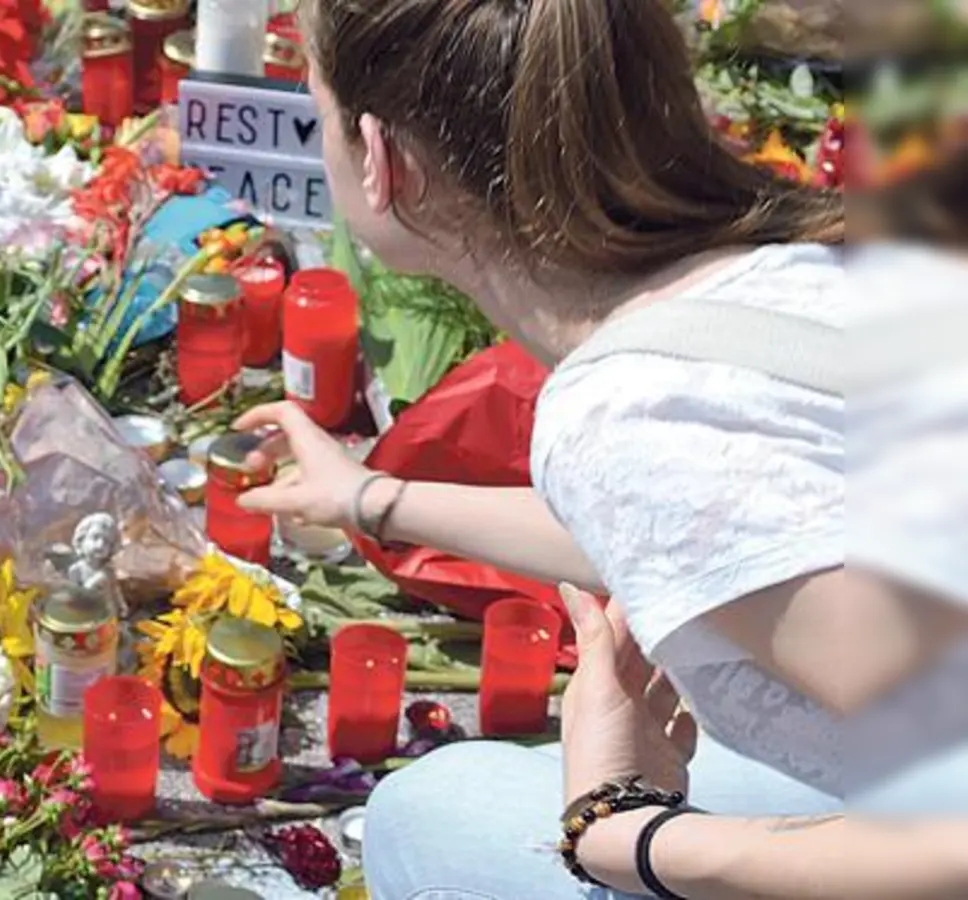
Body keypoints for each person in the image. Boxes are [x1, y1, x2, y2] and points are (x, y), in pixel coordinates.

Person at [234, 1, 968, 897]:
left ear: (385, 162)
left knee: (433, 820)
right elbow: (717, 525)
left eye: (320, 117)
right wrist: (371, 499)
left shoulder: (629, 417)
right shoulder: (793, 259)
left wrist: (630, 834)